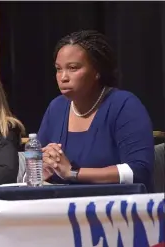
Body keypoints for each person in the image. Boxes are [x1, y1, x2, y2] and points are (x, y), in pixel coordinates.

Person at [38, 30, 154, 191]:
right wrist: (44, 167)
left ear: (97, 71)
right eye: (58, 69)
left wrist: (73, 172)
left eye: (73, 68)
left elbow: (139, 170)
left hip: (115, 208)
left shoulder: (124, 105)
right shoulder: (56, 108)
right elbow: (34, 167)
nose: (63, 77)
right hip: (61, 208)